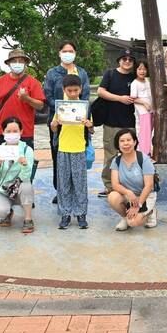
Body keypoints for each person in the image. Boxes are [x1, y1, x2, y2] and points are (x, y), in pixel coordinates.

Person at [43, 40, 89, 205]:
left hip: (77, 123)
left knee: (77, 160)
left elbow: (85, 97)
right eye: (64, 51)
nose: (67, 53)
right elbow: (47, 95)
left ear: (75, 53)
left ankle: (77, 193)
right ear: (59, 53)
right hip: (58, 122)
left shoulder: (82, 73)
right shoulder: (52, 73)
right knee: (58, 158)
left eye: (71, 51)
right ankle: (60, 192)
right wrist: (61, 111)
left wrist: (83, 118)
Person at [0, 49, 45, 181]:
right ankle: (4, 194)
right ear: (8, 64)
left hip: (25, 132)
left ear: (26, 64)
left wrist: (27, 98)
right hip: (4, 132)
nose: (17, 63)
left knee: (25, 165)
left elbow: (40, 105)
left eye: (21, 61)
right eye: (14, 61)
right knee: (4, 165)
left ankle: (25, 194)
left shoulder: (34, 83)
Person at [50, 74, 94, 230]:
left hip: (79, 149)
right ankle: (65, 214)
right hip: (63, 149)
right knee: (64, 183)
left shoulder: (85, 107)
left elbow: (92, 130)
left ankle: (81, 214)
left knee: (80, 183)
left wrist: (89, 125)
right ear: (64, 90)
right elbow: (54, 128)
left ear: (81, 89)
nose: (73, 93)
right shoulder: (60, 107)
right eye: (70, 90)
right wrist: (54, 123)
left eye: (76, 90)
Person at [97, 49, 137, 196]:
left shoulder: (135, 77)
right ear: (119, 60)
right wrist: (120, 98)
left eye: (130, 59)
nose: (127, 61)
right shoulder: (110, 74)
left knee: (129, 155)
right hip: (110, 122)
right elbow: (101, 91)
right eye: (124, 59)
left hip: (129, 123)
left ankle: (129, 185)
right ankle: (109, 186)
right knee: (110, 155)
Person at [0, 117, 36, 233]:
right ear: (2, 132)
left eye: (15, 131)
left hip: (20, 190)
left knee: (27, 186)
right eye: (8, 131)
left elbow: (26, 178)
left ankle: (28, 219)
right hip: (3, 190)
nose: (12, 134)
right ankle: (7, 212)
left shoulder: (27, 150)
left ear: (21, 132)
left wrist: (24, 165)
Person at [108, 129, 158, 230]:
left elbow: (149, 186)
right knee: (112, 197)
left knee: (133, 223)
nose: (126, 143)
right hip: (129, 196)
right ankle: (125, 217)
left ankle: (151, 212)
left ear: (134, 142)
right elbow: (115, 184)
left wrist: (138, 205)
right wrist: (128, 192)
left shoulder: (143, 159)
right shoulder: (116, 161)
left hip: (145, 195)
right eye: (122, 141)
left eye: (129, 140)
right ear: (118, 144)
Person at [130, 60, 153, 156]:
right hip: (143, 112)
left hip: (151, 110)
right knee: (144, 133)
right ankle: (144, 154)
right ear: (135, 70)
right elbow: (133, 98)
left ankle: (148, 152)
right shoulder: (134, 83)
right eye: (139, 69)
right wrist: (144, 104)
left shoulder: (147, 81)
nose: (142, 71)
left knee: (150, 132)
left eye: (144, 69)